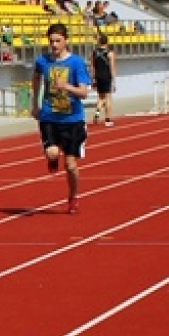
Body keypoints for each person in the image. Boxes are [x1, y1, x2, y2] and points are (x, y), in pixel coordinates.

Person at [30, 23, 91, 215]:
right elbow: (36, 79)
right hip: (49, 117)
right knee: (52, 153)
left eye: (58, 41)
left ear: (66, 41)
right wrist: (35, 104)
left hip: (73, 119)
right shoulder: (43, 61)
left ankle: (73, 197)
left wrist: (66, 87)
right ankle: (52, 158)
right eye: (51, 41)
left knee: (71, 165)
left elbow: (83, 93)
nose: (54, 45)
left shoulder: (76, 63)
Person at [90, 34, 117, 127]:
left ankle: (97, 112)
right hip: (106, 76)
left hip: (98, 77)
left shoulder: (94, 52)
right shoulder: (110, 53)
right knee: (108, 98)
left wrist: (93, 79)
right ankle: (108, 120)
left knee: (101, 97)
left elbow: (93, 66)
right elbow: (112, 67)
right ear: (107, 42)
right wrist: (114, 81)